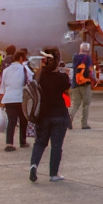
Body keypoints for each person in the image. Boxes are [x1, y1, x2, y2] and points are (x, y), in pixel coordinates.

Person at [29, 48, 71, 183]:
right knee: (56, 146)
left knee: (40, 142)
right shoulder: (62, 77)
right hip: (59, 113)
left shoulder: (40, 77)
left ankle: (34, 165)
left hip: (43, 114)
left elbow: (34, 84)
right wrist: (66, 75)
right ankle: (53, 173)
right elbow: (67, 91)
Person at [0, 50, 32, 152]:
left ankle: (9, 143)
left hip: (9, 98)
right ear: (21, 58)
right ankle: (22, 141)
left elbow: (2, 86)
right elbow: (31, 79)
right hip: (21, 98)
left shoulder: (6, 70)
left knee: (11, 121)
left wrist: (1, 100)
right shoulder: (24, 68)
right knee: (23, 120)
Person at [69, 42, 96, 129]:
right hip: (85, 84)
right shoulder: (88, 58)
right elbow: (90, 71)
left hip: (75, 84)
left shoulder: (75, 57)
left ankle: (69, 118)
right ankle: (84, 124)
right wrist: (94, 79)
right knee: (86, 104)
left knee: (75, 104)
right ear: (88, 50)